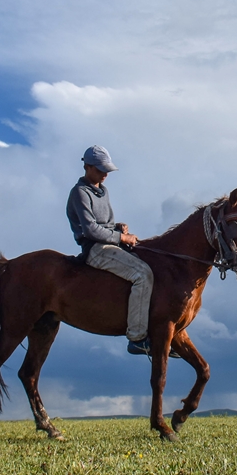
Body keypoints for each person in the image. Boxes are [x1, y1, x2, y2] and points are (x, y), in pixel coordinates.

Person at [66, 145, 155, 356]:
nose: (105, 174)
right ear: (87, 167)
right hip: (95, 248)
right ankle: (137, 338)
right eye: (100, 169)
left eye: (107, 170)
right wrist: (121, 237)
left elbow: (103, 224)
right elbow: (91, 230)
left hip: (109, 242)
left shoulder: (102, 191)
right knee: (143, 274)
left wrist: (117, 227)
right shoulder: (80, 193)